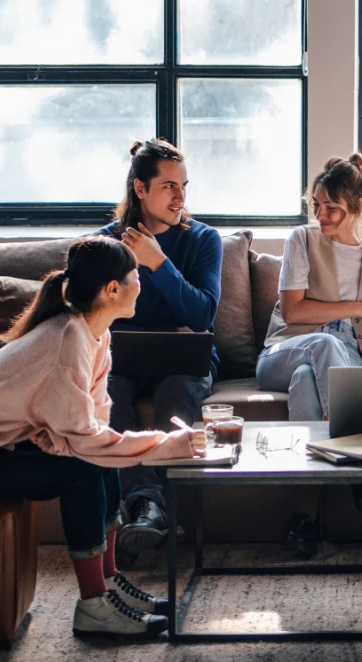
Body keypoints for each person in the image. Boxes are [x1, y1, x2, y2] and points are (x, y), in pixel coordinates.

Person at [0, 236, 207, 641]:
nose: (142, 283)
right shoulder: (67, 340)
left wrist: (138, 446)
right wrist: (163, 445)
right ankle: (94, 607)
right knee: (82, 472)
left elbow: (95, 427)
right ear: (112, 289)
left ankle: (108, 583)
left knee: (99, 463)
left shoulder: (95, 334)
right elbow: (87, 442)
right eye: (136, 275)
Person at [256, 153, 362, 554]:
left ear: (358, 207)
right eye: (316, 205)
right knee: (322, 347)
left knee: (307, 382)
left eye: (331, 208)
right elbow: (294, 312)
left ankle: (304, 520)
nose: (320, 215)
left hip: (353, 357)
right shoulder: (302, 239)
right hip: (287, 349)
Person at [94, 139, 224, 567]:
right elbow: (91, 316)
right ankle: (149, 506)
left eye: (183, 186)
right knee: (106, 396)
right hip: (121, 358)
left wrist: (158, 263)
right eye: (169, 186)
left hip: (183, 358)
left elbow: (202, 315)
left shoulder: (203, 240)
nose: (180, 196)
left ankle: (149, 513)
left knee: (176, 394)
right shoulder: (105, 245)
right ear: (140, 188)